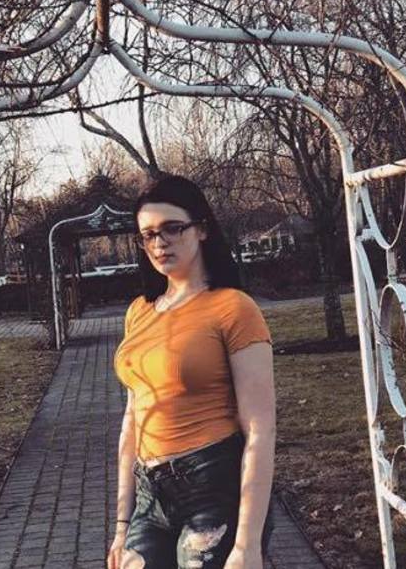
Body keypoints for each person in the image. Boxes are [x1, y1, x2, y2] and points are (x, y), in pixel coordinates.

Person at [106, 174, 276, 569]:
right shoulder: (139, 311)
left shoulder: (233, 308)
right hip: (150, 494)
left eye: (172, 228)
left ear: (201, 229)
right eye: (148, 234)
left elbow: (260, 429)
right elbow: (133, 419)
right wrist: (121, 525)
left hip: (212, 486)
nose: (159, 242)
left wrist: (247, 545)